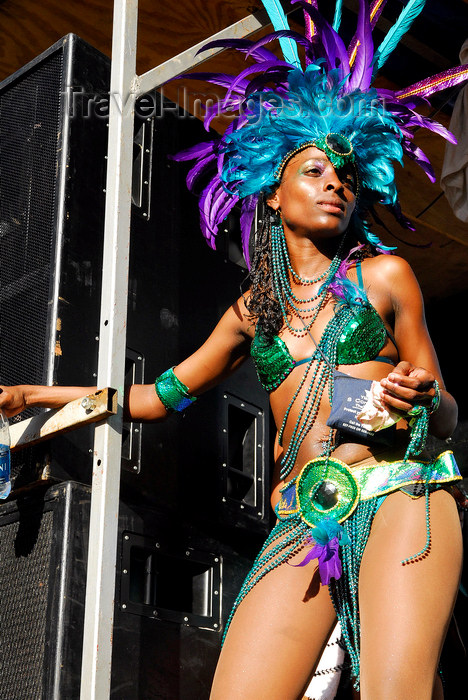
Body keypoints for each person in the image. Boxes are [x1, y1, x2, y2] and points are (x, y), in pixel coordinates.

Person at [1, 2, 467, 699]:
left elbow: (448, 412)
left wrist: (427, 397)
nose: (334, 183)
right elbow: (156, 397)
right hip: (302, 520)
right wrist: (37, 395)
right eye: (314, 171)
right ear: (273, 194)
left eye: (343, 176)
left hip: (400, 492)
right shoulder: (253, 314)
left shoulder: (385, 278)